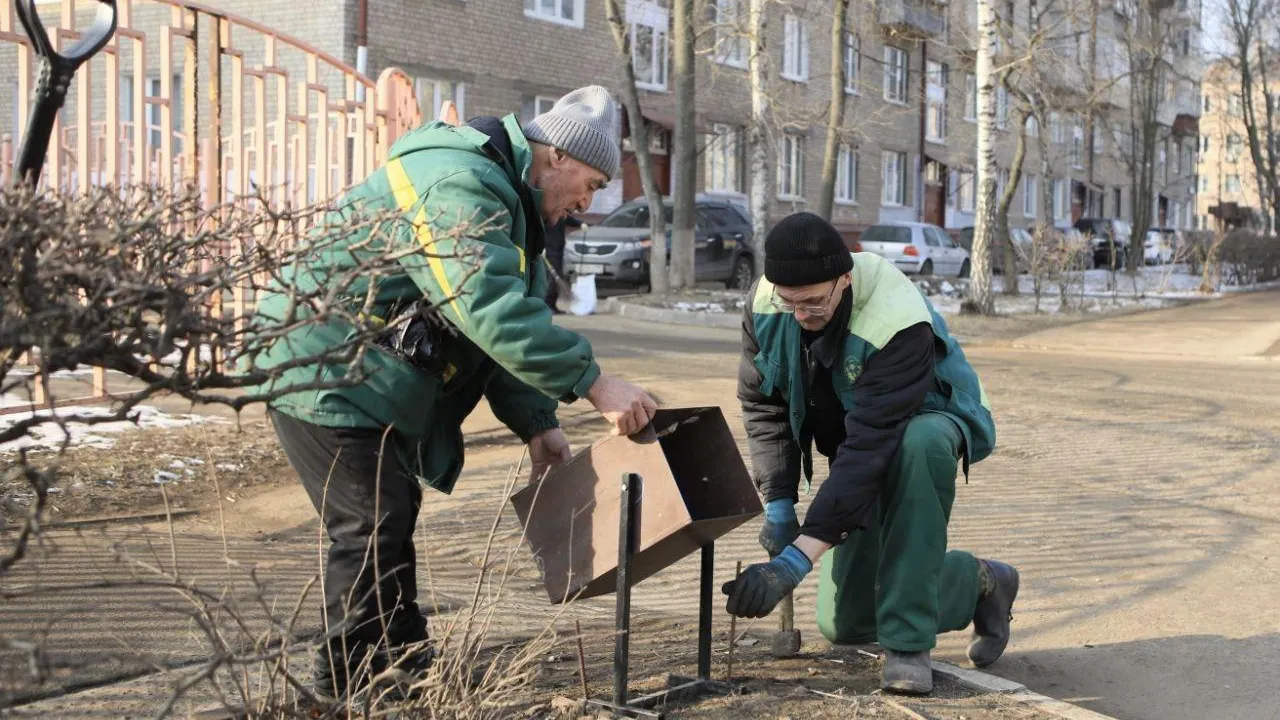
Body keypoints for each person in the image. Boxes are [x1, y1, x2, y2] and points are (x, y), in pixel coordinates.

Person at [251, 85, 658, 703]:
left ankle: (405, 672)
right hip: (321, 364)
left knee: (387, 521)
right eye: (593, 183)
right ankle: (345, 693)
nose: (586, 203)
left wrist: (536, 420)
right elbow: (483, 308)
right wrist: (595, 383)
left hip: (365, 375)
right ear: (555, 158)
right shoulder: (459, 184)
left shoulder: (506, 200)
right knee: (370, 528)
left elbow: (490, 328)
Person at [723, 212, 1019, 695]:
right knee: (846, 624)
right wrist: (778, 499)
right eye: (790, 302)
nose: (800, 314)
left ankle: (908, 645)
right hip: (856, 438)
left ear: (845, 279)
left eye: (814, 302)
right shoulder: (767, 305)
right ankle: (981, 582)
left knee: (916, 446)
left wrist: (795, 561)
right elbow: (764, 404)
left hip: (927, 419)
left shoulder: (896, 318)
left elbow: (872, 443)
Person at [543, 214, 582, 312]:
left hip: (558, 250)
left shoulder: (560, 213)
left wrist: (581, 224)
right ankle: (547, 304)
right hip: (549, 251)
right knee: (553, 278)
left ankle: (552, 304)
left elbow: (569, 219)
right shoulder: (548, 214)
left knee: (558, 277)